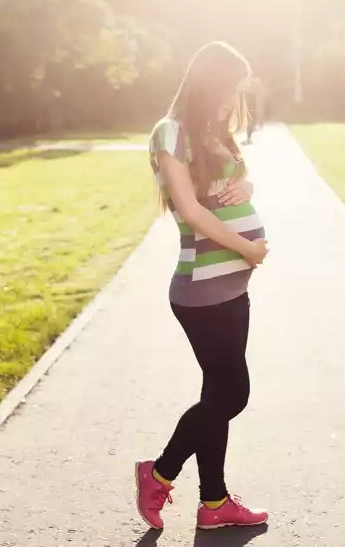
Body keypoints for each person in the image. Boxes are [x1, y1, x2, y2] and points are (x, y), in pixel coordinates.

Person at [135, 42, 271, 531]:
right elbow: (190, 210)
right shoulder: (169, 133)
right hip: (202, 289)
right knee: (232, 395)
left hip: (231, 286)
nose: (232, 100)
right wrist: (248, 247)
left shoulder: (212, 131)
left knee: (217, 395)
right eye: (229, 89)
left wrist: (249, 189)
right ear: (209, 82)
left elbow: (235, 181)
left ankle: (213, 505)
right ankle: (159, 472)